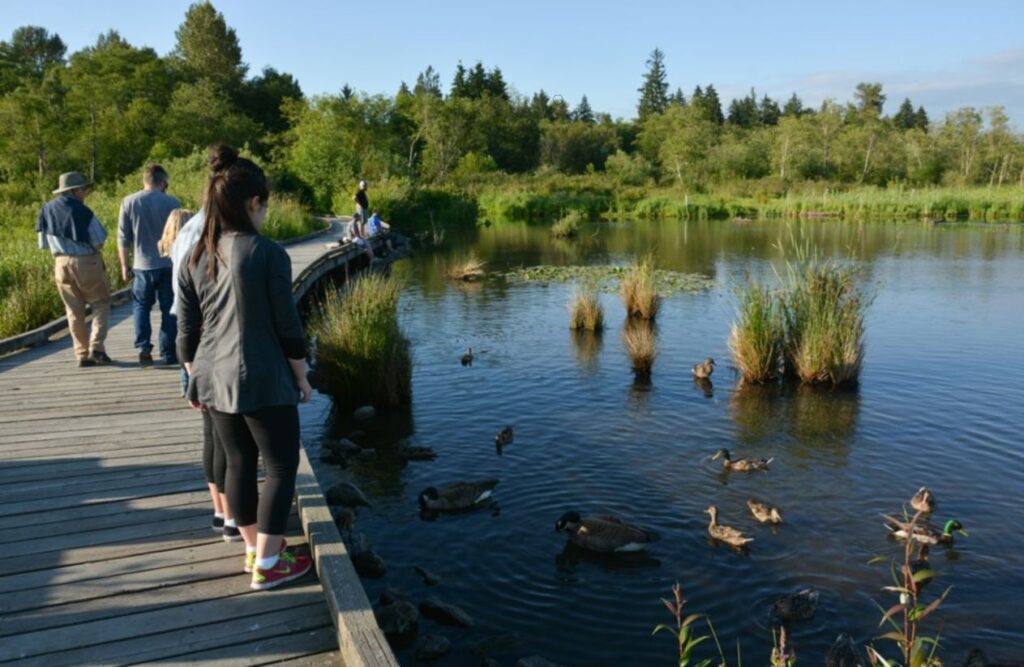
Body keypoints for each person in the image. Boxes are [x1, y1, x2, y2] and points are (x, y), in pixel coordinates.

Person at [177, 144, 313, 590]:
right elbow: (288, 327)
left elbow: (188, 328)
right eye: (265, 206)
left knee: (237, 463)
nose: (266, 214)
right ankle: (271, 567)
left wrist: (192, 375)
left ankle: (255, 551)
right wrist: (302, 375)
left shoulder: (196, 253)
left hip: (211, 375)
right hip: (259, 375)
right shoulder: (266, 252)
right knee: (279, 468)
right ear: (254, 203)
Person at [162, 206, 240, 541]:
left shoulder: (186, 233)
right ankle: (234, 518)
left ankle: (221, 513)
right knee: (229, 439)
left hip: (190, 339)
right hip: (209, 343)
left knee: (211, 434)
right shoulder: (211, 234)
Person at [36, 172, 112, 368]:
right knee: (100, 303)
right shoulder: (83, 211)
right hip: (86, 261)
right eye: (83, 189)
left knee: (73, 311)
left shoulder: (46, 210)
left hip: (60, 263)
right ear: (74, 190)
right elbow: (99, 240)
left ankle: (81, 354)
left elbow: (42, 243)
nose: (85, 192)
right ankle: (97, 348)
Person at [118, 164, 182, 367]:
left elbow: (123, 238)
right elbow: (180, 237)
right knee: (169, 308)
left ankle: (144, 347)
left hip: (141, 264)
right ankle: (168, 352)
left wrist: (123, 265)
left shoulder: (129, 202)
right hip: (167, 264)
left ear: (144, 180)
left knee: (141, 307)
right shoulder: (172, 202)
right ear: (163, 182)